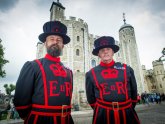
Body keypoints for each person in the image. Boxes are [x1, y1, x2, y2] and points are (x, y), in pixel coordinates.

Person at [14, 21, 74, 124]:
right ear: (45, 43)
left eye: (59, 40)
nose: (55, 42)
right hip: (40, 119)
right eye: (51, 39)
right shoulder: (33, 66)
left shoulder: (69, 72)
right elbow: (21, 102)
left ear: (63, 45)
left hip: (67, 120)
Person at [85, 36, 140, 124]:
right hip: (103, 115)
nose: (105, 52)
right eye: (102, 50)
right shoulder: (91, 73)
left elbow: (134, 93)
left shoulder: (127, 69)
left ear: (113, 52)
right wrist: (102, 109)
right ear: (98, 54)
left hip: (127, 112)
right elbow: (91, 98)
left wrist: (127, 107)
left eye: (108, 49)